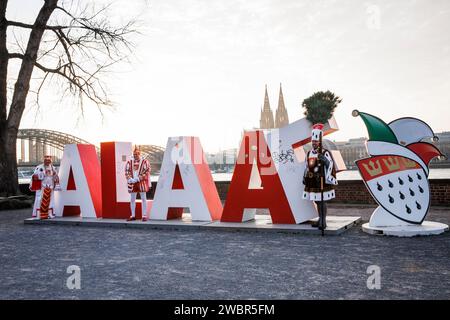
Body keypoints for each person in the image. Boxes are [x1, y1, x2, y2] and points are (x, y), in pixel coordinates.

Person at [302, 123, 338, 230]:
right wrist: (304, 177)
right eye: (313, 142)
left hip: (322, 180)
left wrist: (325, 161)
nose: (314, 143)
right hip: (312, 181)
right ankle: (320, 219)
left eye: (316, 142)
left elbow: (331, 165)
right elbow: (306, 166)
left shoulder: (325, 152)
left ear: (319, 142)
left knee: (322, 201)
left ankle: (323, 221)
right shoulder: (309, 153)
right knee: (317, 201)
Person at [125, 146, 151, 221]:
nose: (135, 155)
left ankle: (144, 215)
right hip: (133, 183)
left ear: (139, 154)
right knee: (132, 199)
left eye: (137, 154)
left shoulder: (145, 161)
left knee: (143, 199)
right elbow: (127, 171)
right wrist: (130, 178)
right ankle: (133, 215)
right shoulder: (129, 162)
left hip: (141, 182)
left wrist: (138, 178)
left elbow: (147, 171)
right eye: (134, 154)